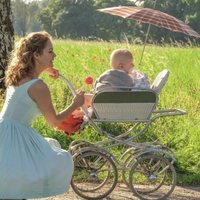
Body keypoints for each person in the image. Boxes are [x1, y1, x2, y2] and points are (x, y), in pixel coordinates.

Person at [0, 31, 85, 199]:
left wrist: (46, 68)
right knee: (18, 184)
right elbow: (54, 121)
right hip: (14, 137)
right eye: (50, 51)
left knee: (11, 184)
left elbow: (28, 86)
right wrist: (75, 104)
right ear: (36, 55)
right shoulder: (38, 86)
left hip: (5, 129)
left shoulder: (18, 76)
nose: (55, 55)